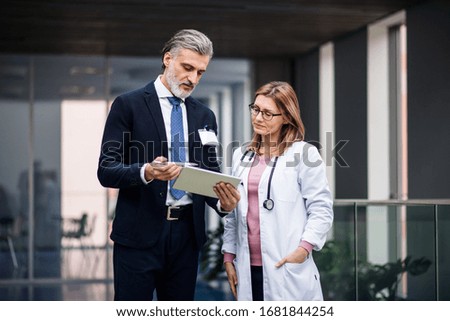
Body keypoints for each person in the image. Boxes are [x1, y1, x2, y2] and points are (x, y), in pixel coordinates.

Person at [97, 29, 240, 301]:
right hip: (139, 236)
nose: (193, 79)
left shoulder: (204, 115)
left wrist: (224, 202)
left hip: (187, 238)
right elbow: (106, 169)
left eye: (200, 72)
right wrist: (147, 172)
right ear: (167, 59)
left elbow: (209, 174)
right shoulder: (128, 105)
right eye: (187, 68)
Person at [221, 81, 333, 301]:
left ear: (287, 117)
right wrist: (228, 256)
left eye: (268, 113)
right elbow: (234, 214)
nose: (258, 117)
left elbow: (321, 209)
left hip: (286, 264)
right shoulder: (241, 156)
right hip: (246, 265)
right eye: (256, 109)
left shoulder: (304, 154)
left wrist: (304, 249)